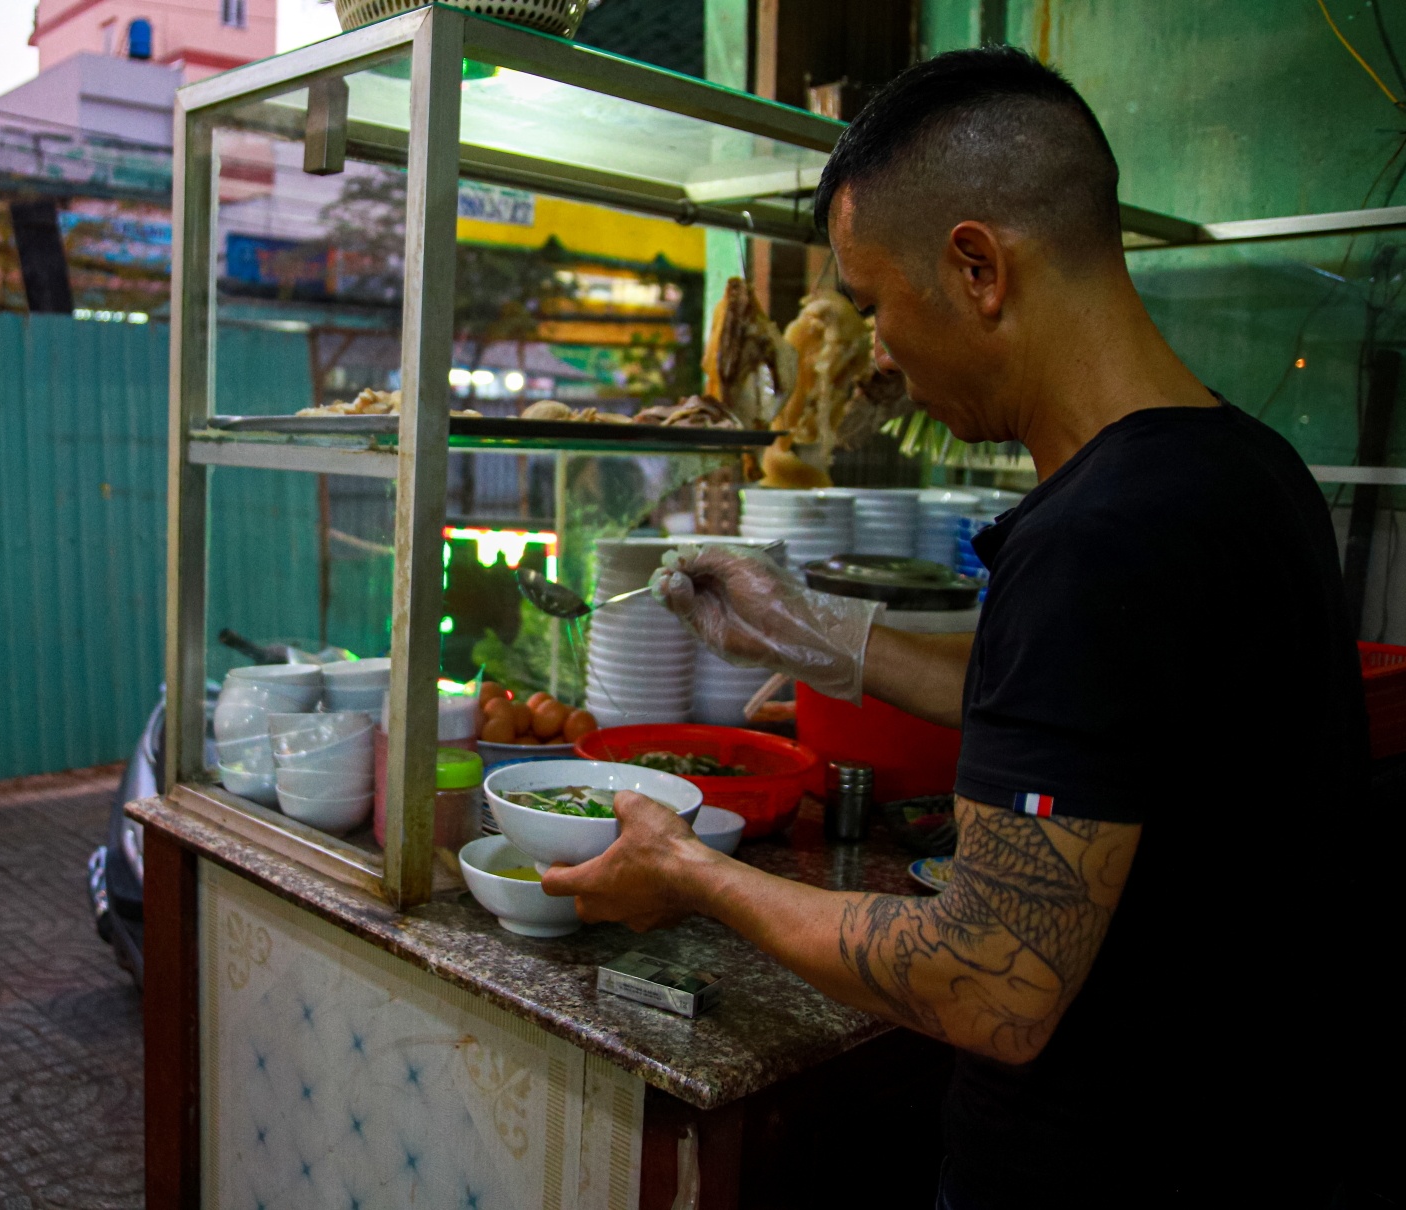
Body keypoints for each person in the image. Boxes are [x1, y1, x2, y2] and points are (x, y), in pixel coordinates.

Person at [542, 48, 1377, 1207]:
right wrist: (804, 631)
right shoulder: (1243, 468)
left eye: (876, 304)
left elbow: (994, 980)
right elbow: (1089, 704)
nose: (876, 351)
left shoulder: (1100, 535)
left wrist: (686, 872)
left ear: (976, 266)